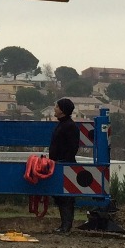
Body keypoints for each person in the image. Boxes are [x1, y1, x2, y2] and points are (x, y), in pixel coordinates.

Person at [48, 96, 81, 233]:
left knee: (66, 197)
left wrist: (64, 162)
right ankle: (64, 225)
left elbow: (73, 147)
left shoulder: (69, 126)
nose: (54, 109)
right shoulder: (62, 124)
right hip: (58, 164)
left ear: (62, 110)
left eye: (56, 106)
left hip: (65, 165)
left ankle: (66, 226)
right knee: (60, 196)